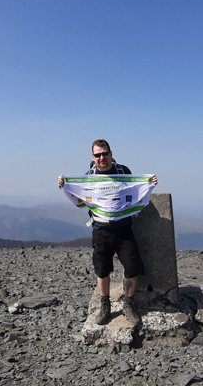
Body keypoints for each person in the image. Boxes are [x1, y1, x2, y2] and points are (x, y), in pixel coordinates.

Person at [58, 139, 158, 326]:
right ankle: (105, 305)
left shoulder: (123, 171)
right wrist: (65, 185)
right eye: (98, 155)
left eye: (105, 153)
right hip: (101, 228)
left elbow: (135, 189)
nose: (101, 157)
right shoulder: (90, 175)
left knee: (132, 266)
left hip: (124, 227)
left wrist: (149, 183)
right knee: (102, 268)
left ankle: (128, 303)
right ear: (93, 157)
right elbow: (81, 195)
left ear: (111, 153)